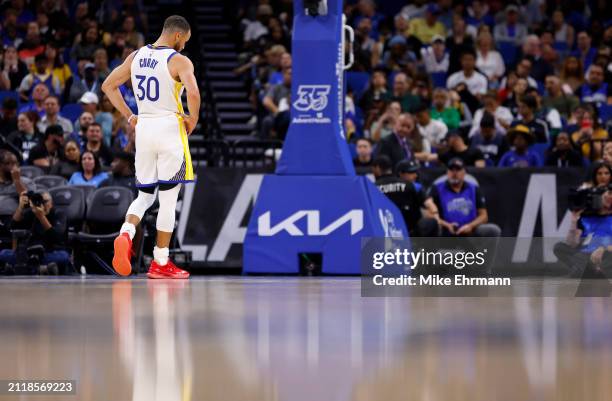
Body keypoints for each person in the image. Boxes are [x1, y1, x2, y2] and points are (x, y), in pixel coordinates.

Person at [102, 15, 199, 279]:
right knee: (168, 199)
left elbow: (108, 86)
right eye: (185, 41)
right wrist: (193, 119)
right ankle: (161, 262)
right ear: (178, 35)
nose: (185, 46)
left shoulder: (135, 56)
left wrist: (130, 116)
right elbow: (193, 92)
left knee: (144, 196)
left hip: (143, 127)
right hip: (169, 126)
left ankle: (126, 233)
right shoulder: (179, 60)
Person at [0, 190, 70, 274]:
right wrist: (20, 207)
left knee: (63, 256)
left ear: (51, 202)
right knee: (3, 253)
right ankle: (41, 269)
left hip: (50, 251)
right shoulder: (32, 212)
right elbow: (12, 226)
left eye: (45, 201)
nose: (43, 204)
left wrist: (41, 217)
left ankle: (22, 268)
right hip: (29, 252)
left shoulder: (58, 213)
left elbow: (56, 237)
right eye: (40, 201)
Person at [428, 157, 500, 236]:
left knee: (493, 230)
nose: (454, 173)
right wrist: (446, 225)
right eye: (451, 170)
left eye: (458, 170)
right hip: (446, 231)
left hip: (470, 230)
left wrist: (470, 226)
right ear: (447, 172)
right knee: (431, 226)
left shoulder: (474, 188)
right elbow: (429, 214)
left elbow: (484, 216)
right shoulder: (437, 188)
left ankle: (483, 249)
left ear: (464, 172)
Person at [372, 156, 438, 237]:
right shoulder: (413, 186)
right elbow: (431, 206)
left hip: (384, 235)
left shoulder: (372, 188)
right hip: (411, 235)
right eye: (411, 172)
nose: (415, 176)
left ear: (377, 168)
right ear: (400, 173)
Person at [0, 150, 34, 217]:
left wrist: (17, 181)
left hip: (14, 219)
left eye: (16, 163)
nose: (14, 167)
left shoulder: (26, 182)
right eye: (8, 163)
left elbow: (28, 203)